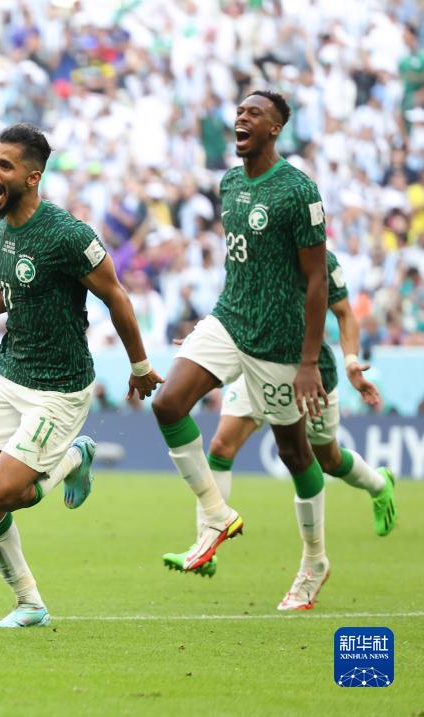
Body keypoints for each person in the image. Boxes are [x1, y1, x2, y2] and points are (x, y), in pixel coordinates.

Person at [0, 124, 163, 629]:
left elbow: (116, 296)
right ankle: (29, 603)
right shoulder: (1, 226)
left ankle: (75, 456)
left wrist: (140, 366)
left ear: (32, 178)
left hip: (59, 387)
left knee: (2, 492)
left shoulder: (68, 235)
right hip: (11, 372)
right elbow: (7, 292)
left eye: (4, 166)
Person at [150, 91, 330, 593]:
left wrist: (308, 361)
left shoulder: (298, 190)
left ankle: (314, 561)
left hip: (278, 340)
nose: (241, 118)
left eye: (254, 113)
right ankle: (216, 515)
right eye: (239, 113)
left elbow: (317, 278)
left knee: (296, 454)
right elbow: (242, 262)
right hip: (229, 319)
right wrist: (206, 329)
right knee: (167, 403)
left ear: (275, 129)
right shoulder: (229, 182)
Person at [163, 250, 398, 609]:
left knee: (326, 459)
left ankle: (378, 485)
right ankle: (206, 543)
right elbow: (236, 300)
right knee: (221, 446)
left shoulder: (319, 258)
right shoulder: (253, 243)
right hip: (253, 360)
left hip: (309, 372)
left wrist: (351, 361)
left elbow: (345, 313)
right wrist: (207, 337)